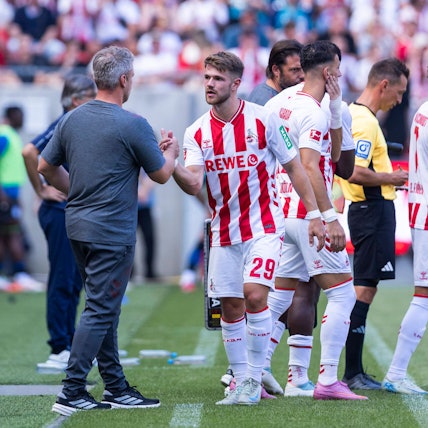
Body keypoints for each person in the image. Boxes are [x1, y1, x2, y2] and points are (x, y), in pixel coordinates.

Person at [172, 50, 325, 405]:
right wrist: (171, 164)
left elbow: (295, 168)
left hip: (265, 226)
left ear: (236, 84)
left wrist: (316, 213)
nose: (209, 84)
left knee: (255, 294)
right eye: (207, 77)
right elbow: (194, 183)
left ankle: (253, 380)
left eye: (218, 78)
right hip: (223, 231)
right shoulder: (196, 132)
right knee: (229, 306)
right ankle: (241, 380)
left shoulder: (265, 120)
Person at [38, 45, 179, 415]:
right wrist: (172, 152)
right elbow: (162, 175)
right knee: (101, 308)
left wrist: (76, 189)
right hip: (110, 231)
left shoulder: (71, 118)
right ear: (123, 79)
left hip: (77, 225)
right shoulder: (132, 123)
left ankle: (115, 386)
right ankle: (72, 389)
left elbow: (44, 165)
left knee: (105, 307)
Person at [264, 40, 367, 400]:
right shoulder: (313, 111)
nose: (340, 74)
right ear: (328, 71)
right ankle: (327, 380)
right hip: (307, 214)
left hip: (282, 211)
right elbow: (314, 166)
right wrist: (328, 217)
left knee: (280, 296)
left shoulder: (279, 102)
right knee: (341, 294)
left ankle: (249, 373)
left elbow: (331, 156)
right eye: (337, 69)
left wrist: (336, 107)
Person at [339, 58, 409, 390]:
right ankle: (351, 371)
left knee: (366, 287)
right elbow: (353, 170)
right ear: (384, 85)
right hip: (371, 210)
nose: (399, 100)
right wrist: (392, 177)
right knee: (363, 288)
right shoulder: (364, 122)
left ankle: (353, 369)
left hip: (369, 210)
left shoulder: (358, 115)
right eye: (399, 92)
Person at [21, 74, 97, 373]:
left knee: (74, 280)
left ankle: (69, 342)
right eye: (91, 95)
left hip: (70, 210)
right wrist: (41, 189)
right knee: (63, 280)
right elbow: (29, 151)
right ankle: (59, 347)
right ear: (76, 99)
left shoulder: (75, 124)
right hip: (58, 211)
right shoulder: (64, 123)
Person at [381, 97, 428, 395]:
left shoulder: (423, 109)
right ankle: (396, 372)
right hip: (427, 214)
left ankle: (396, 372)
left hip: (421, 208)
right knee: (424, 295)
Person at [0, 105, 44, 292]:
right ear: (11, 117)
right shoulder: (5, 135)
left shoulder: (11, 134)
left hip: (11, 195)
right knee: (12, 234)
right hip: (4, 195)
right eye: (20, 115)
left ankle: (13, 274)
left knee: (8, 233)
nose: (23, 119)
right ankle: (19, 274)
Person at [246, 39, 304, 105]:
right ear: (276, 70)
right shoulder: (264, 101)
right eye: (295, 70)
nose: (303, 75)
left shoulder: (282, 95)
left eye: (304, 69)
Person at [136, 170, 157, 280]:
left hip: (145, 206)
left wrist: (144, 189)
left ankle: (150, 272)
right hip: (130, 206)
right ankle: (130, 273)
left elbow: (154, 174)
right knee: (127, 240)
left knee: (149, 238)